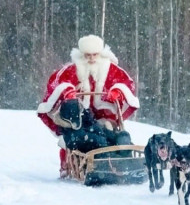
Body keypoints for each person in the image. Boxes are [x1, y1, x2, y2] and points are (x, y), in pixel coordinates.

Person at [36, 34, 140, 178]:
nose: (91, 59)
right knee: (75, 136)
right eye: (87, 55)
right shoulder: (70, 71)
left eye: (95, 55)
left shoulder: (112, 70)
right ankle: (68, 164)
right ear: (81, 54)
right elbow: (57, 86)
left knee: (110, 132)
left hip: (104, 117)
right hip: (79, 117)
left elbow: (126, 84)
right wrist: (68, 92)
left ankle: (115, 159)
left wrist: (117, 92)